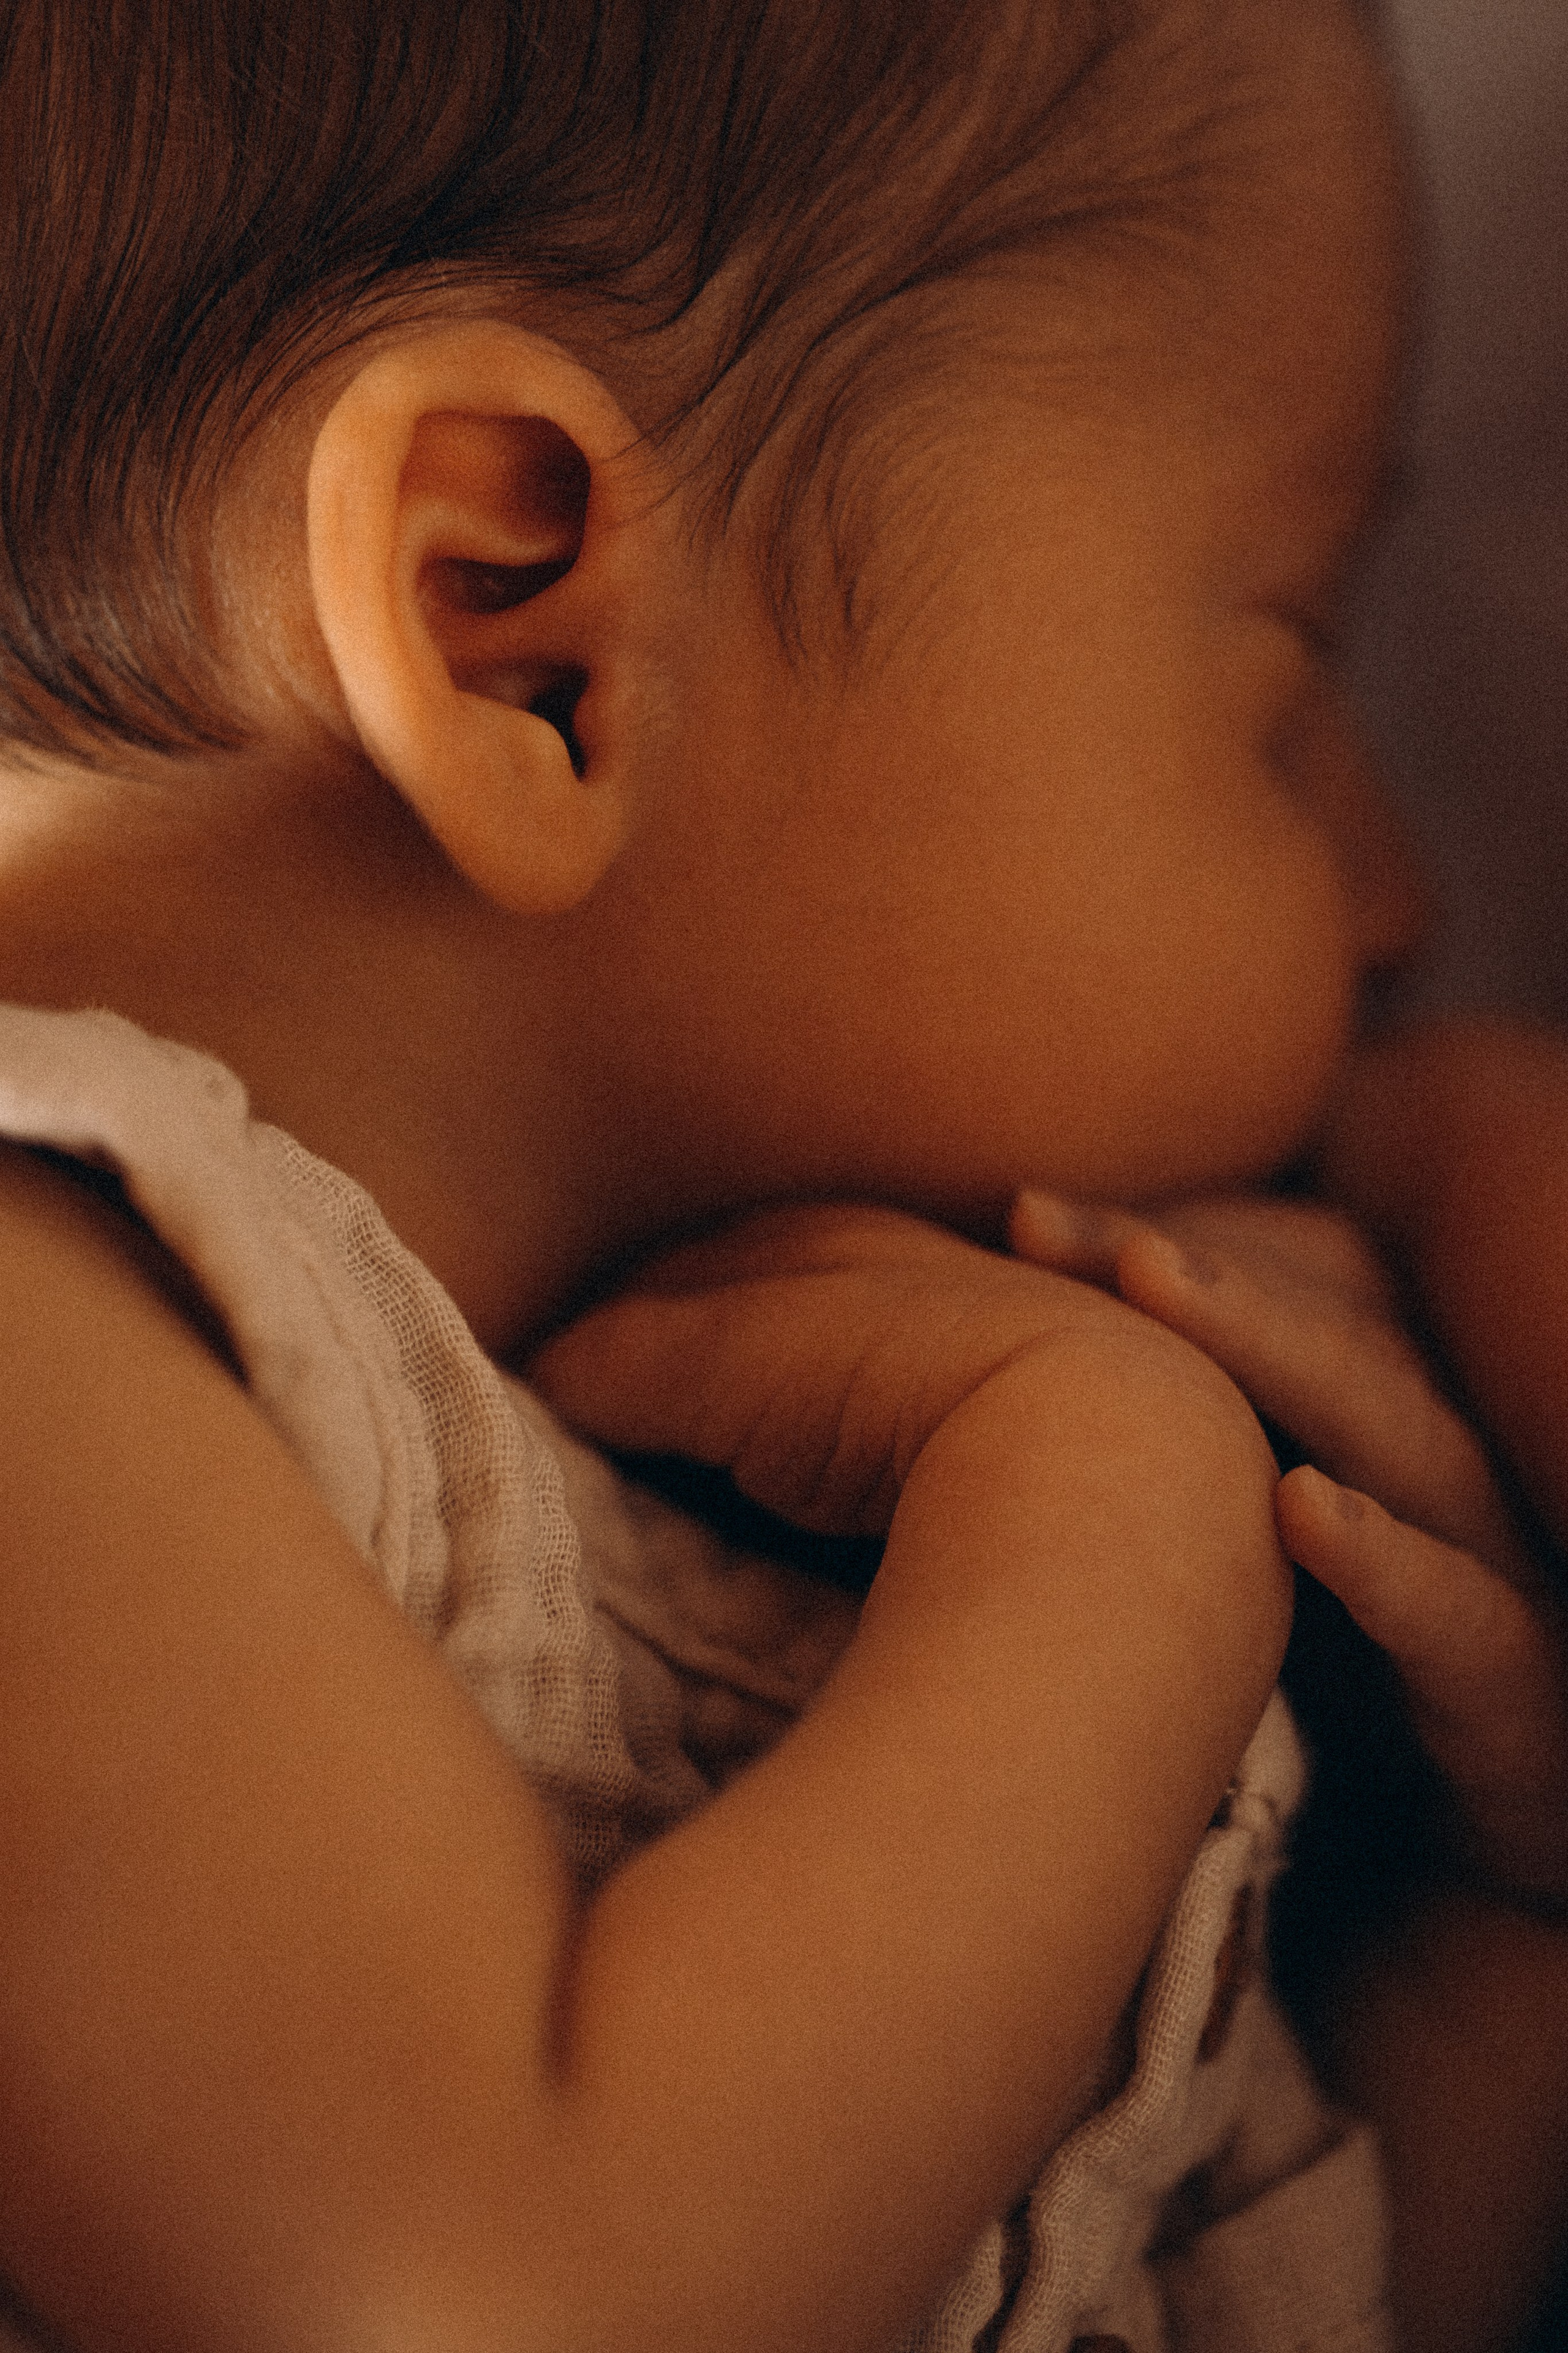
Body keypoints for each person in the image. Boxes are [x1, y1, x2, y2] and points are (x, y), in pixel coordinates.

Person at [0, 1, 1565, 2348]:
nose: (1394, 893)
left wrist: (1486, 1932)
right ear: (522, 642)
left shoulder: (789, 1532)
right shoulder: (38, 1344)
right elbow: (493, 2297)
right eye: (1282, 665)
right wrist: (1101, 1539)